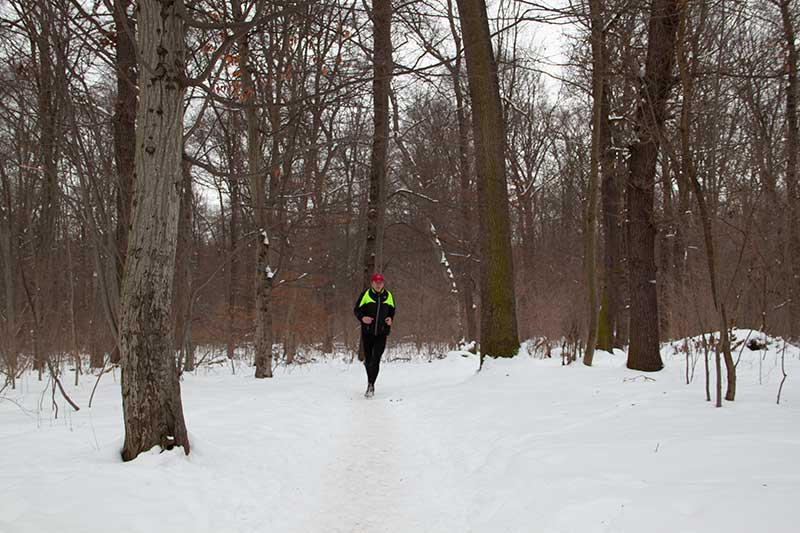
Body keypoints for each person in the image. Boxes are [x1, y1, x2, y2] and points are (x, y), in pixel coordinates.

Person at [354, 273, 396, 398]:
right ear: (372, 283)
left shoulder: (388, 295)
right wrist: (363, 317)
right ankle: (370, 382)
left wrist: (390, 318)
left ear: (383, 283)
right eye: (376, 282)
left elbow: (392, 310)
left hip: (382, 333)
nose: (378, 285)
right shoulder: (366, 295)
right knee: (369, 360)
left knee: (376, 359)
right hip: (367, 333)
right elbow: (356, 310)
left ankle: (371, 385)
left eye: (380, 282)